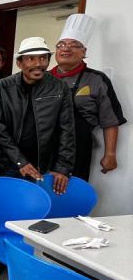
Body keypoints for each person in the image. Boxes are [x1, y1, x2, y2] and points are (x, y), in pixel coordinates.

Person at [0, 37, 75, 194]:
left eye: (43, 58)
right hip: (9, 164)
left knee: (40, 210)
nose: (38, 64)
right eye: (31, 59)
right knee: (12, 208)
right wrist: (20, 161)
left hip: (45, 165)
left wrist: (63, 168)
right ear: (19, 63)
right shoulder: (1, 88)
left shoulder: (59, 87)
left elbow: (67, 130)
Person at [50, 14, 126, 180]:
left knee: (70, 195)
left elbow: (110, 120)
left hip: (77, 149)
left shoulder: (97, 79)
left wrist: (110, 154)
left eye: (74, 45)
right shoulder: (41, 79)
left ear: (84, 52)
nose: (66, 48)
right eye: (61, 45)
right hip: (41, 147)